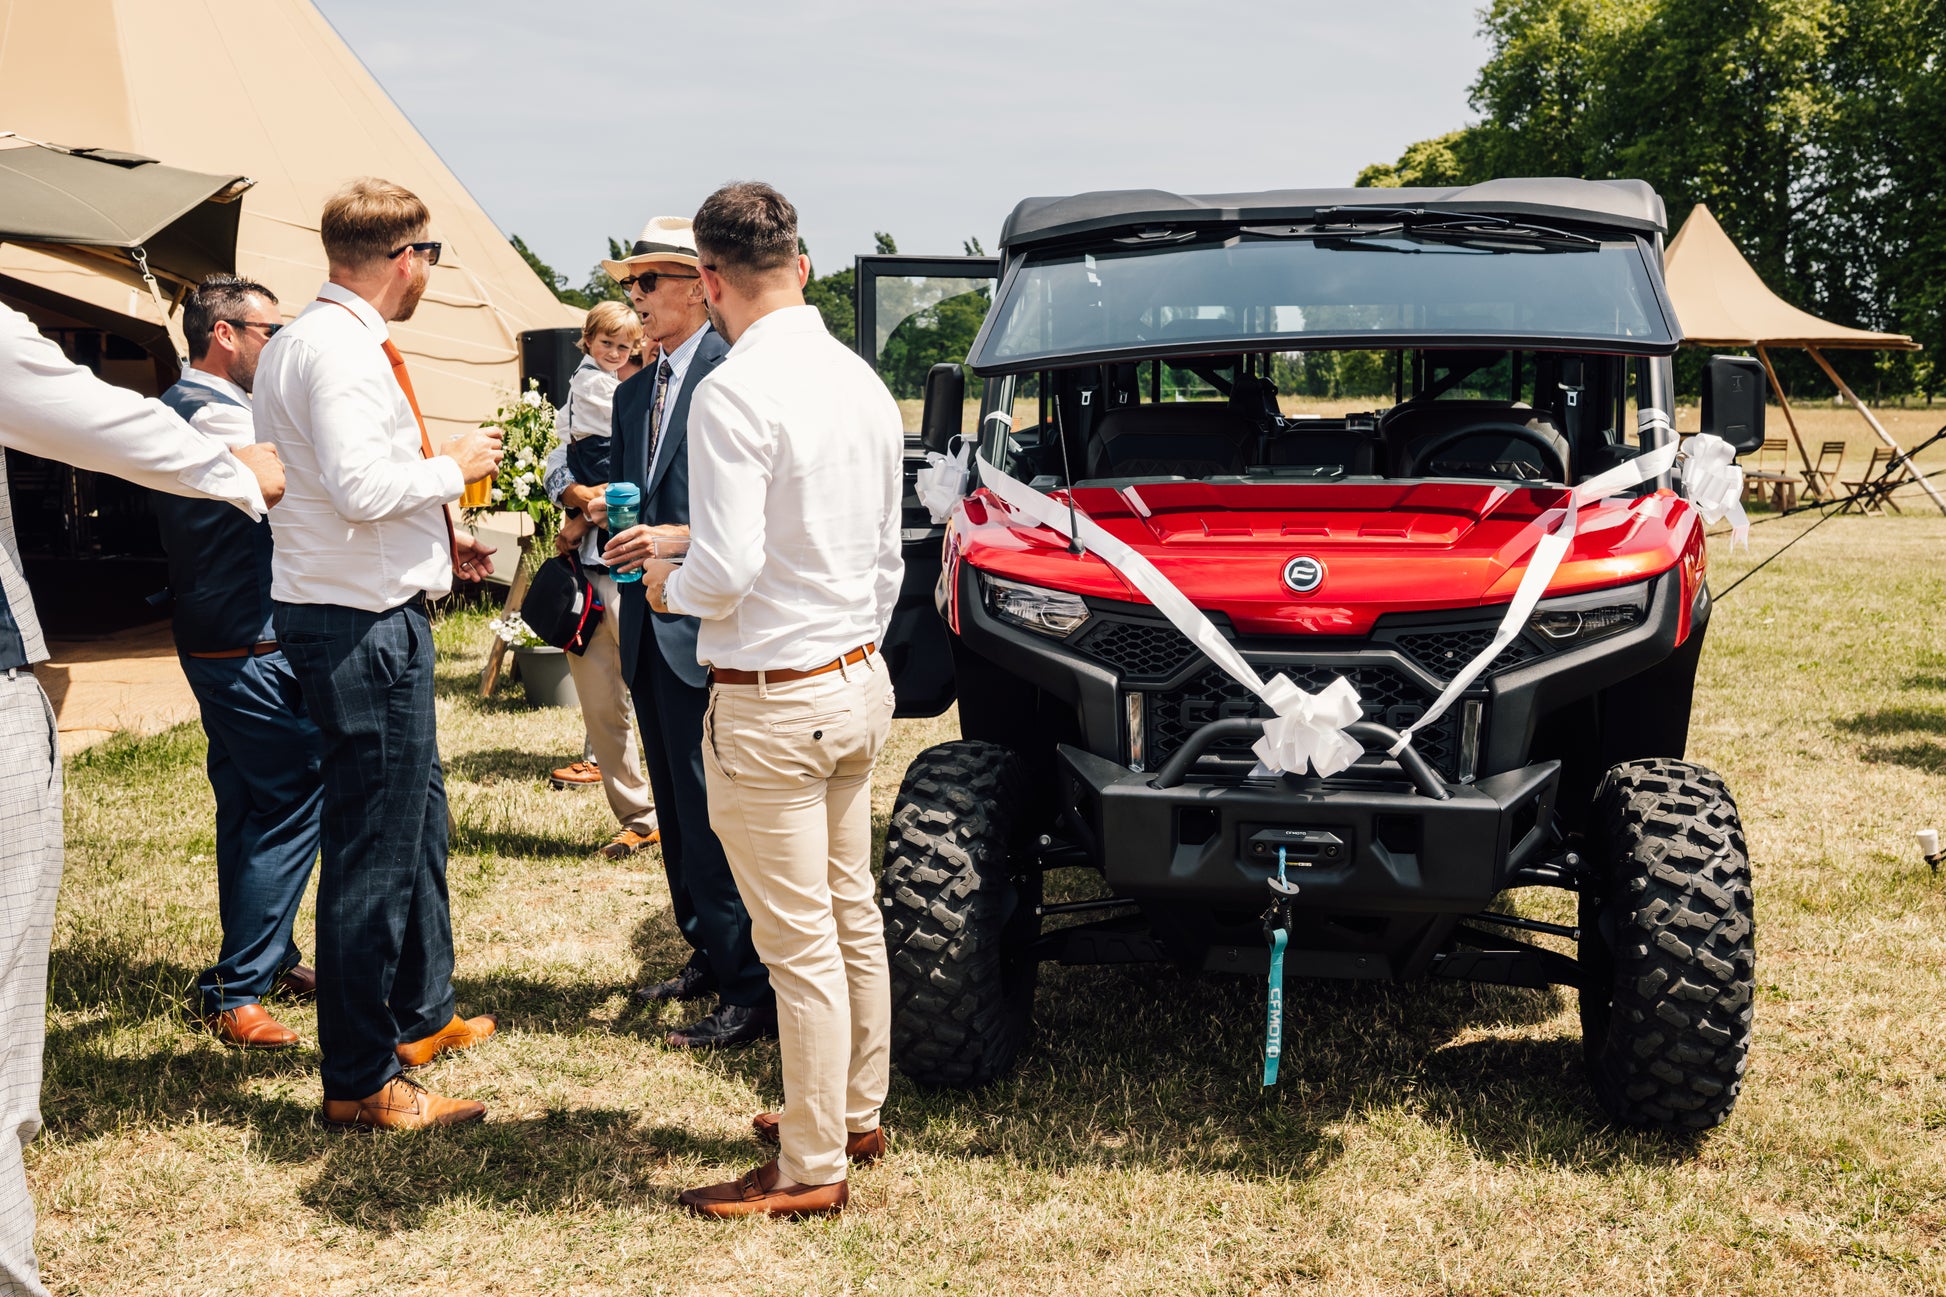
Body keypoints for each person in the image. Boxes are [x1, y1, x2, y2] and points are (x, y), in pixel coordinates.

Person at [618, 183, 904, 1218]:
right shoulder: (861, 378)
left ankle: (811, 1160)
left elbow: (730, 567)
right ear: (803, 264)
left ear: (707, 279)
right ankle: (852, 1108)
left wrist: (667, 584)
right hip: (854, 673)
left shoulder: (733, 390)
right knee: (848, 908)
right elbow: (880, 554)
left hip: (775, 695)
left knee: (797, 940)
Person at [0, 301, 286, 1295]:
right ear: (225, 330)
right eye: (265, 327)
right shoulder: (200, 415)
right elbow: (81, 411)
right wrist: (234, 470)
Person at [252, 177, 503, 1133]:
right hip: (359, 622)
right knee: (373, 851)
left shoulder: (301, 340)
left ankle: (415, 1015)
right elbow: (359, 488)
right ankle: (360, 1077)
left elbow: (329, 488)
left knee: (413, 822)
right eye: (431, 257)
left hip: (351, 602)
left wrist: (439, 538)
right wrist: (455, 470)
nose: (431, 273)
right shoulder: (343, 350)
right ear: (409, 259)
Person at [585, 217, 773, 1048]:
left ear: (699, 285)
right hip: (647, 624)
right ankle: (705, 947)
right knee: (672, 800)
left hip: (714, 626)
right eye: (629, 285)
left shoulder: (738, 374)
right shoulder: (634, 391)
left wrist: (676, 541)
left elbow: (753, 514)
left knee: (712, 812)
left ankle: (750, 986)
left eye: (648, 282)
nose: (635, 298)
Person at [154, 276, 325, 1051]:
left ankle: (269, 956)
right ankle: (237, 986)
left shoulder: (179, 404)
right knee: (295, 796)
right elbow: (299, 483)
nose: (278, 345)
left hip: (219, 634)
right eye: (269, 332)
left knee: (249, 804)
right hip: (247, 641)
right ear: (224, 333)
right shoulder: (217, 413)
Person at [541, 301, 662, 860]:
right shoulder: (591, 389)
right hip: (591, 574)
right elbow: (556, 462)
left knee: (659, 700)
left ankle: (686, 814)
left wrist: (585, 514)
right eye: (608, 343)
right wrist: (574, 499)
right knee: (600, 704)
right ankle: (638, 817)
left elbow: (643, 475)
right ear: (588, 340)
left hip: (641, 566)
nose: (618, 352)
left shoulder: (645, 393)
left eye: (626, 344)